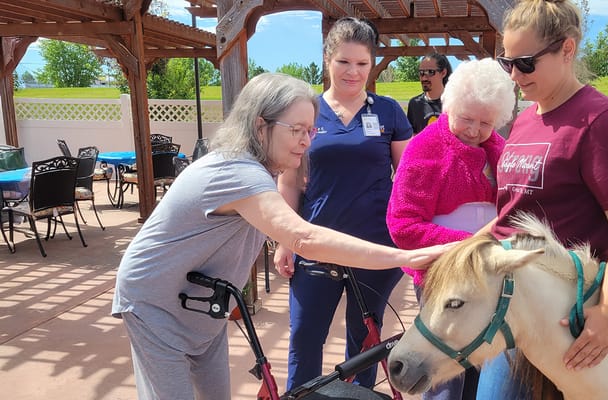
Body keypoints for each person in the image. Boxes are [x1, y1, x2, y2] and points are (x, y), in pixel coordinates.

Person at [111, 73, 450, 400]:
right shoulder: (236, 171)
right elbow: (305, 238)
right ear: (261, 126)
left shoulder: (259, 168)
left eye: (310, 130)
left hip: (199, 303)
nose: (307, 140)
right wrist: (404, 257)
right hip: (156, 303)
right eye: (296, 130)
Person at [479, 0, 608, 398]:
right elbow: (513, 213)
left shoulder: (601, 121)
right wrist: (467, 249)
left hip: (565, 316)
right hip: (510, 308)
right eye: (507, 63)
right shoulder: (525, 119)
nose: (515, 75)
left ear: (567, 50)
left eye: (526, 62)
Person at [273, 17, 415, 391]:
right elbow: (289, 181)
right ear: (327, 61)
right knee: (305, 339)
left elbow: (409, 180)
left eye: (362, 64)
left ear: (372, 65)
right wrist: (284, 240)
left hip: (372, 248)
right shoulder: (306, 111)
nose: (353, 72)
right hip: (314, 246)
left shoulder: (388, 113)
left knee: (365, 343)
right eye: (343, 62)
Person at [387, 57, 516, 400]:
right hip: (441, 276)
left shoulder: (501, 151)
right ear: (450, 107)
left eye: (486, 122)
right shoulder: (424, 148)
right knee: (443, 371)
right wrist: (473, 245)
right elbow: (403, 226)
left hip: (490, 276)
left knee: (488, 362)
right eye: (466, 119)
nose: (475, 130)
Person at [407, 53, 453, 134]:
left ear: (443, 73)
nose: (424, 78)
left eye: (430, 72)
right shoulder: (414, 104)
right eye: (421, 72)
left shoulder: (454, 102)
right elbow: (412, 137)